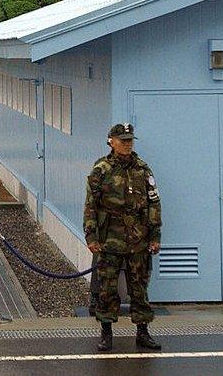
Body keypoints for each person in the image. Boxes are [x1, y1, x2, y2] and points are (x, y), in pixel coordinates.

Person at [83, 123, 162, 352]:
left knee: (139, 287)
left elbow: (153, 203)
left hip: (138, 239)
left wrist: (155, 235)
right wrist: (91, 236)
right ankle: (106, 333)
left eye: (130, 140)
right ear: (111, 141)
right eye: (123, 140)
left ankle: (143, 333)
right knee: (108, 288)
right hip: (110, 238)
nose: (127, 144)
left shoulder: (142, 169)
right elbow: (91, 206)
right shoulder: (101, 169)